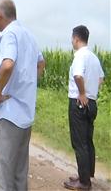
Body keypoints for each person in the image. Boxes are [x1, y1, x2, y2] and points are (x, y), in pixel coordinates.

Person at [0, 0, 45, 191]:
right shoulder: (29, 35)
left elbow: (7, 65)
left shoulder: (9, 34)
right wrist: (26, 86)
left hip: (8, 115)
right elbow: (40, 64)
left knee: (2, 174)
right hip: (25, 115)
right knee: (20, 173)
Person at [63, 25, 104, 190]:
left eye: (72, 38)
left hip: (79, 102)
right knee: (87, 140)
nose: (72, 41)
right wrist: (91, 91)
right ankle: (86, 175)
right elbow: (101, 78)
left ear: (76, 38)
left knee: (79, 142)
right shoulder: (93, 56)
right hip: (91, 103)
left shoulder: (80, 55)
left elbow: (78, 75)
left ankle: (84, 182)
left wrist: (82, 93)